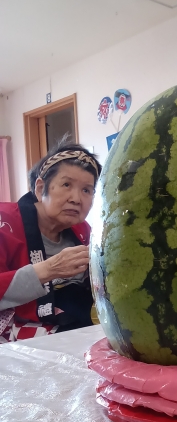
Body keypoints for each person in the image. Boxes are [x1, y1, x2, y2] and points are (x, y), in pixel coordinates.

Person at [0, 144, 102, 342]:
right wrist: (48, 270)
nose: (76, 199)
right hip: (17, 337)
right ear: (40, 188)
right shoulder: (5, 222)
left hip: (72, 329)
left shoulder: (83, 230)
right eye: (66, 185)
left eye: (86, 190)